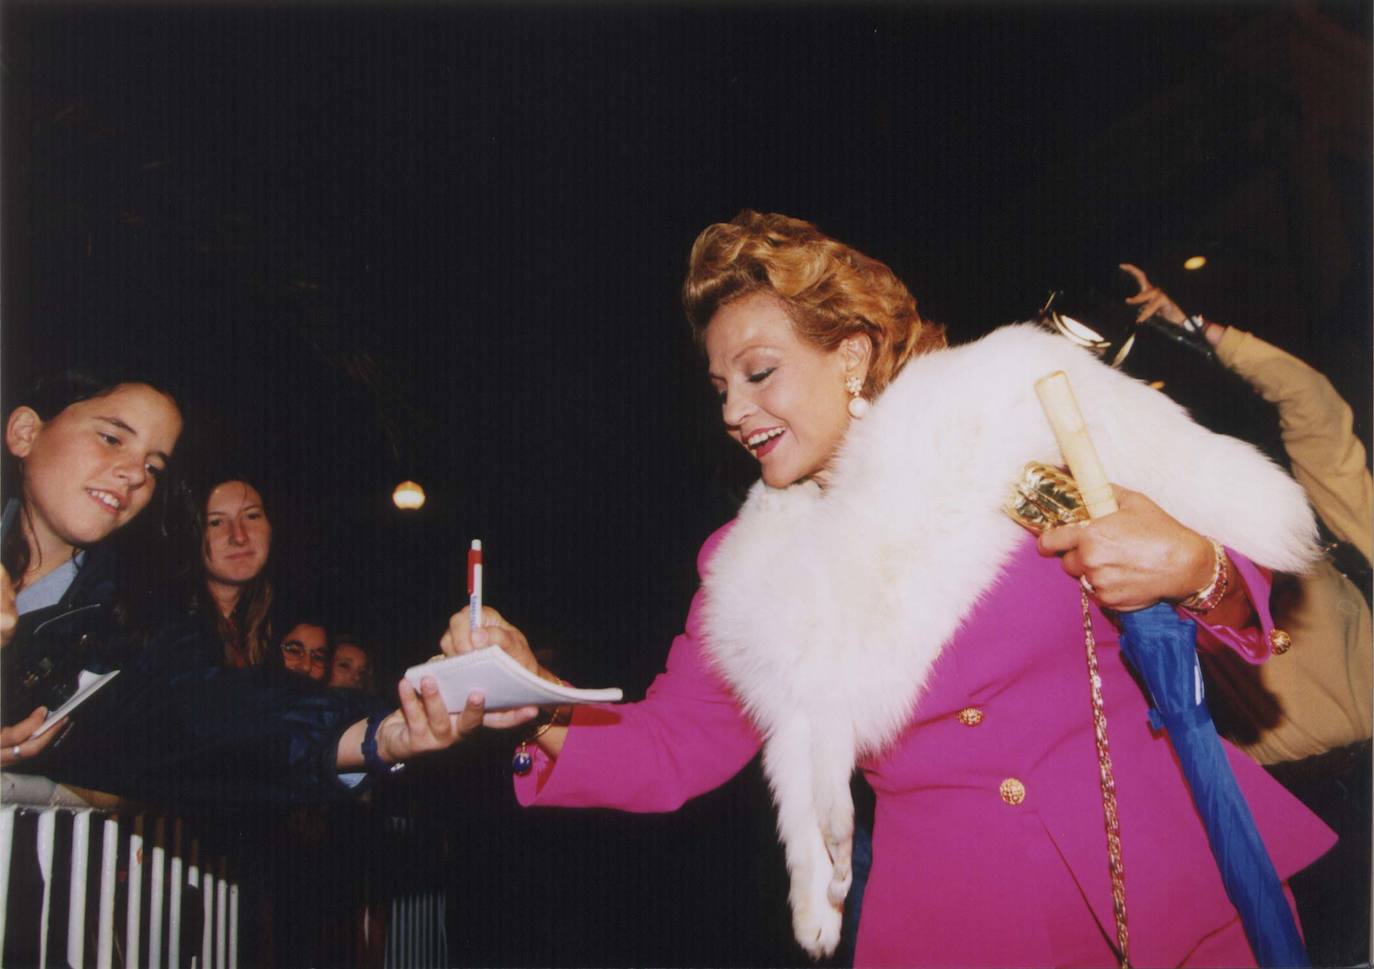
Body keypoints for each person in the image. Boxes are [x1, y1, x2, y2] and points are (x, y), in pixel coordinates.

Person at [443, 212, 1336, 968]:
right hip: (959, 927)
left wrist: (1197, 569)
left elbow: (1237, 571)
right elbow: (679, 742)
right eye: (719, 388)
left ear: (852, 355)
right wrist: (537, 707)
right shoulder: (746, 570)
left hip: (1177, 879)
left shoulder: (1008, 428)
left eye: (758, 373)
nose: (732, 410)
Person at [0, 369, 483, 802]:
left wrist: (375, 735)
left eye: (153, 467)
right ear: (25, 432)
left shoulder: (129, 626)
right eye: (111, 437)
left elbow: (220, 716)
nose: (133, 473)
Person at [195, 476, 276, 668]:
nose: (239, 536)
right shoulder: (167, 632)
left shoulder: (267, 628)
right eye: (216, 522)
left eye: (252, 516)